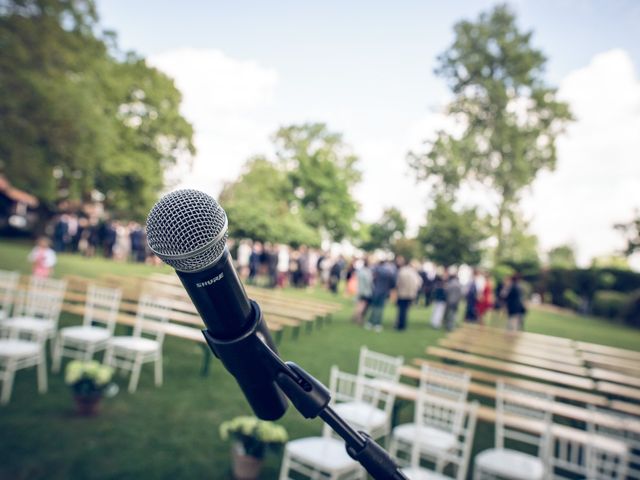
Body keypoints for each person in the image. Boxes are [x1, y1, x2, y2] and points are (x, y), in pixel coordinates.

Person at [366, 259, 397, 332]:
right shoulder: (389, 271)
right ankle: (377, 324)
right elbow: (393, 282)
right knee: (380, 308)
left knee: (374, 307)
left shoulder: (376, 270)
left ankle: (370, 322)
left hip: (376, 291)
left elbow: (372, 280)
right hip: (384, 291)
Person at [395, 257, 422, 331]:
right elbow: (418, 283)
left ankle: (399, 324)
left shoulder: (402, 271)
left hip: (402, 293)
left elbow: (398, 283)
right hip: (410, 294)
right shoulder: (413, 272)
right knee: (405, 310)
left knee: (401, 310)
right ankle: (402, 325)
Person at [352, 257, 373, 325]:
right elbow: (368, 282)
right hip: (365, 291)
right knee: (362, 306)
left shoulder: (360, 271)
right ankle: (359, 318)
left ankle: (355, 317)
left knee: (359, 305)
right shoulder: (367, 272)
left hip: (360, 290)